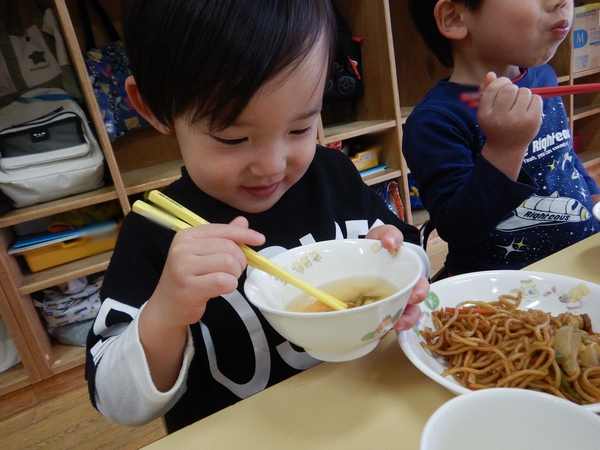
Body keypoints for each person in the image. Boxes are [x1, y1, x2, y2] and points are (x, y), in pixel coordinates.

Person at [85, 0, 429, 433]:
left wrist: (405, 275)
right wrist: (168, 311)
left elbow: (407, 246)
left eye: (301, 128)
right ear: (153, 106)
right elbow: (116, 400)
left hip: (364, 418)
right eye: (233, 137)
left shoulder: (334, 174)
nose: (271, 165)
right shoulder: (156, 233)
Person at [403, 0, 600, 276]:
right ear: (455, 18)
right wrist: (503, 149)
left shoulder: (544, 76)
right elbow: (459, 230)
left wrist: (594, 198)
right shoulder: (435, 120)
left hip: (579, 256)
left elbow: (565, 157)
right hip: (503, 288)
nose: (562, 2)